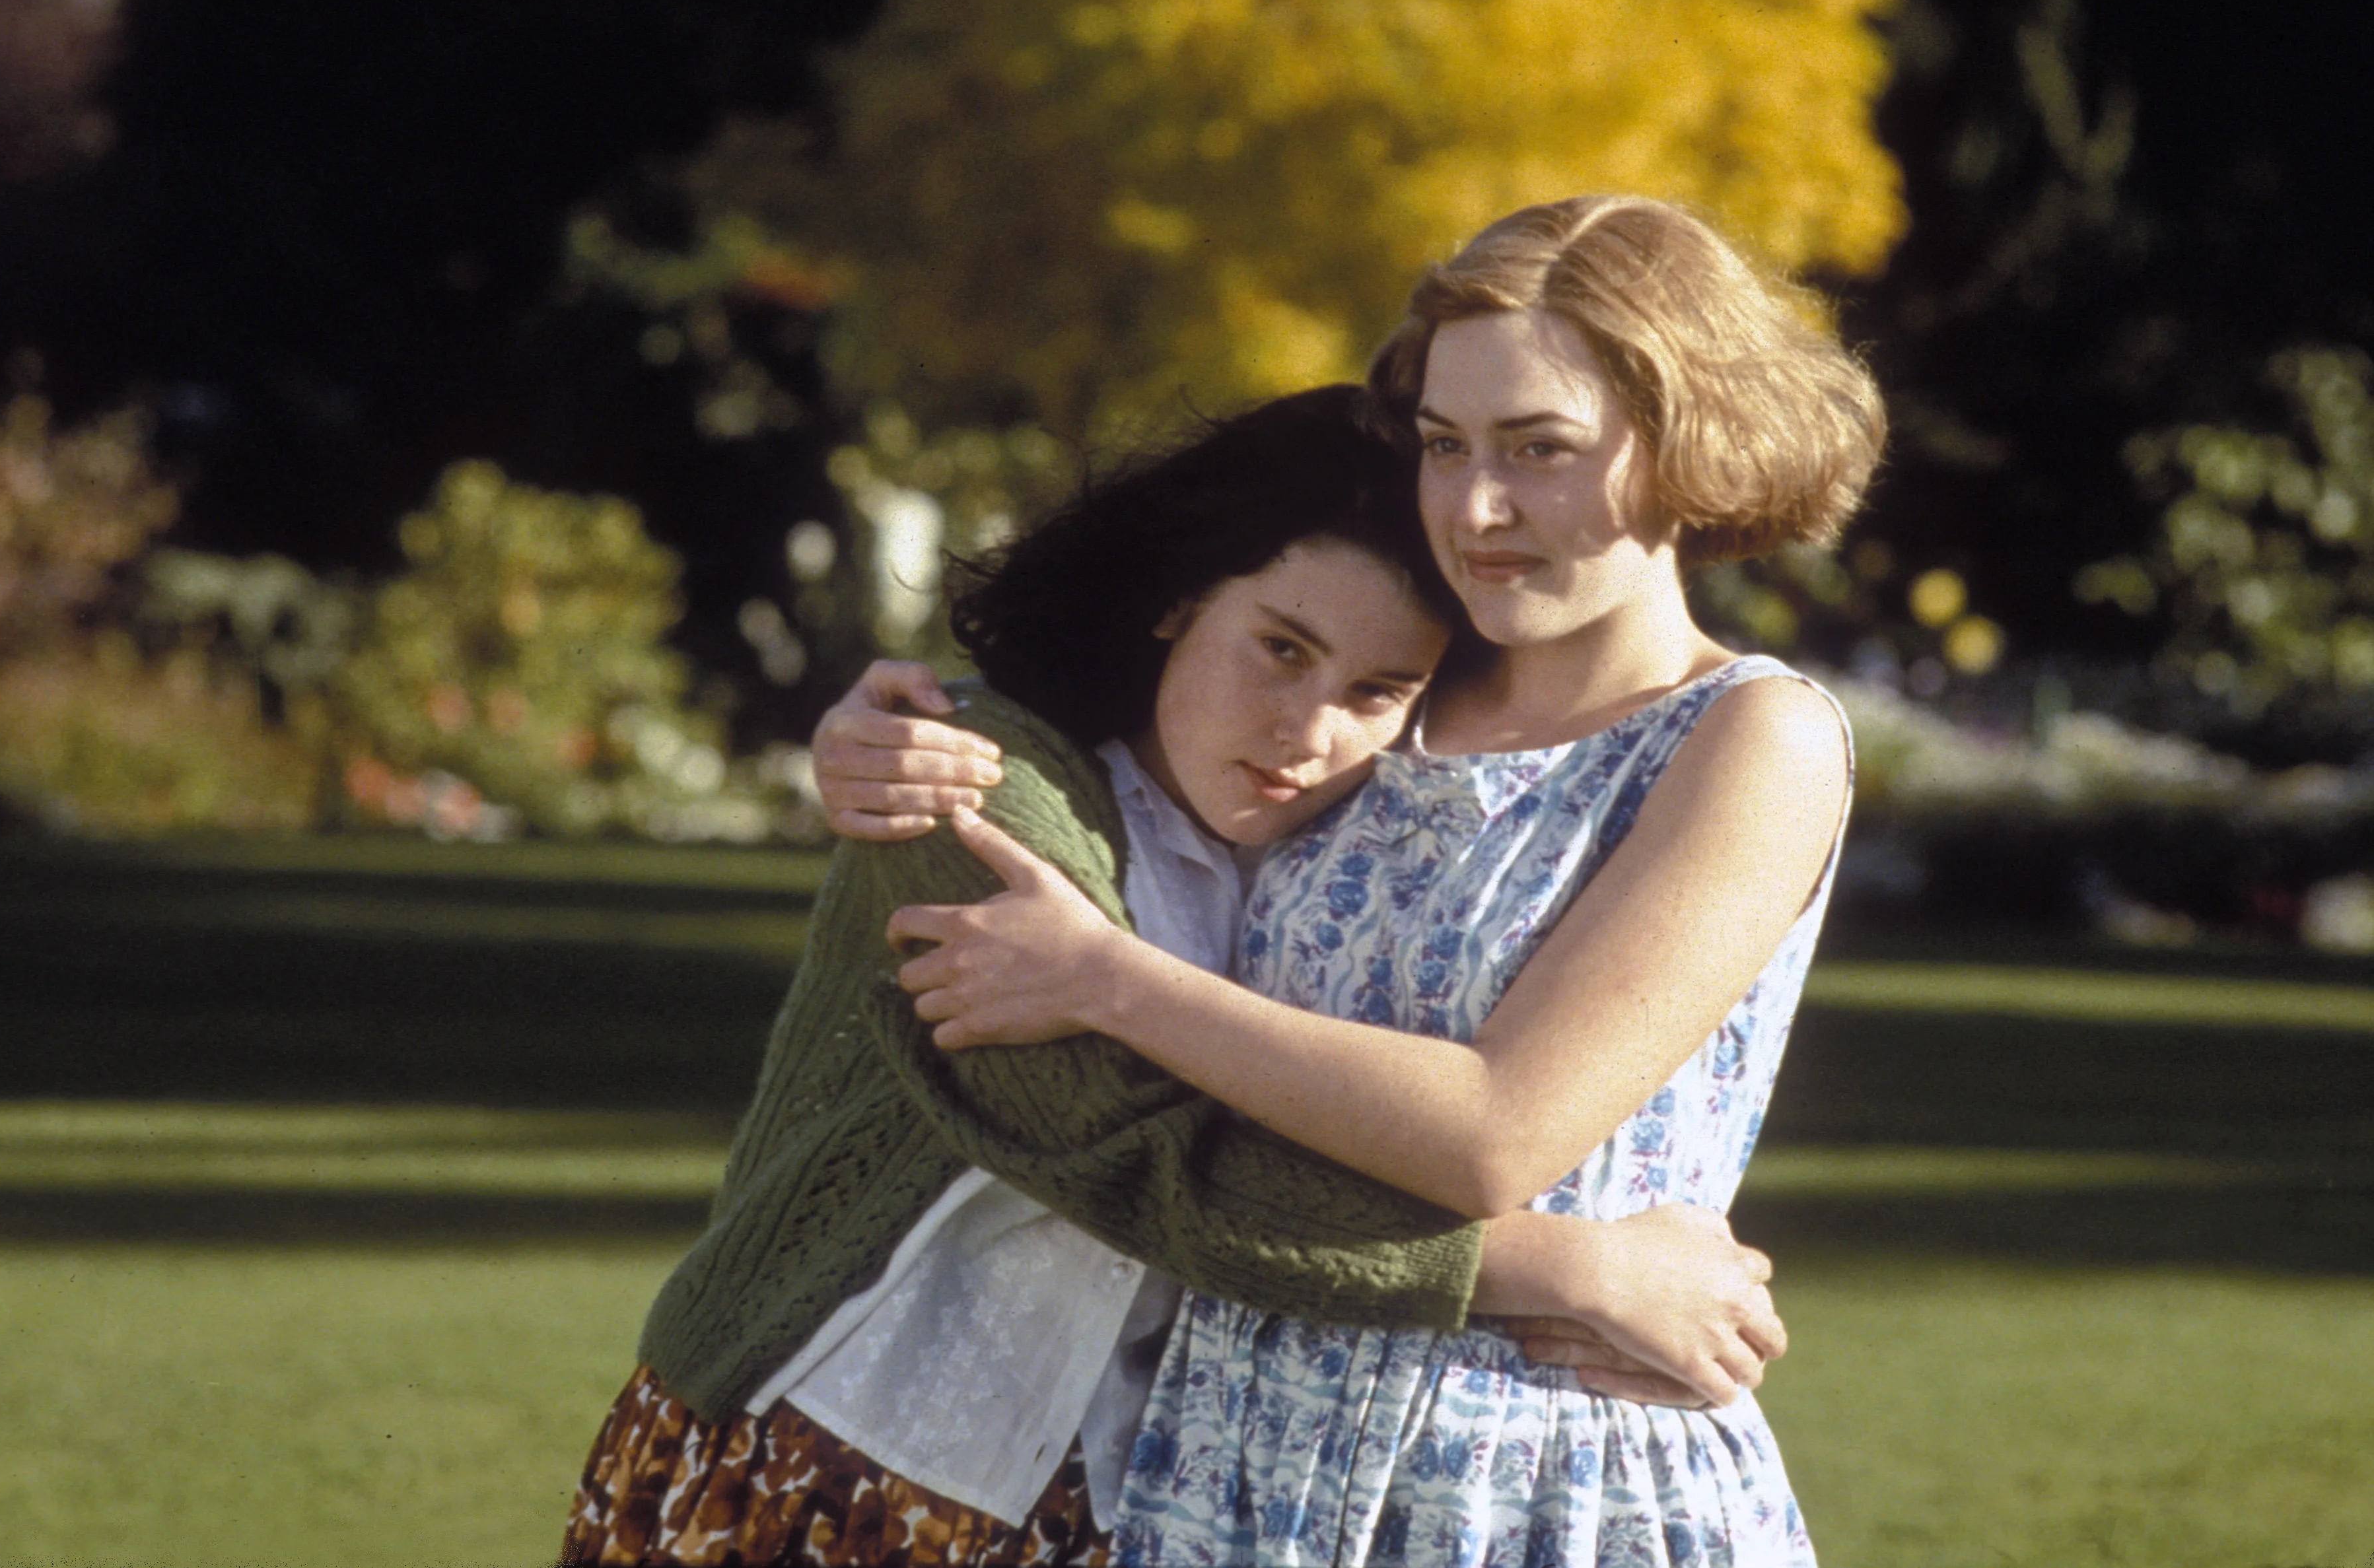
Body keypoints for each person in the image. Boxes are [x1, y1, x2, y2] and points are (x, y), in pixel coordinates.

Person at [559, 384, 1789, 1568]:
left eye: (1375, 690)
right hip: (821, 1446)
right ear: (1178, 600)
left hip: (1111, 1506)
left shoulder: (1336, 861)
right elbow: (1135, 1156)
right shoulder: (974, 787)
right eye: (1280, 647)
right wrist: (1564, 1270)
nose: (1308, 732)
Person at [826, 195, 1883, 1565]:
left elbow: (1494, 1136)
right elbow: (1140, 726)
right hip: (1219, 1463)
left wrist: (1105, 980)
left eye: (1540, 450)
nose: (1476, 508)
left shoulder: (1751, 737)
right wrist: (885, 727)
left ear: (1690, 443)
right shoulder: (1392, 689)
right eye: (1445, 446)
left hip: (1524, 1482)